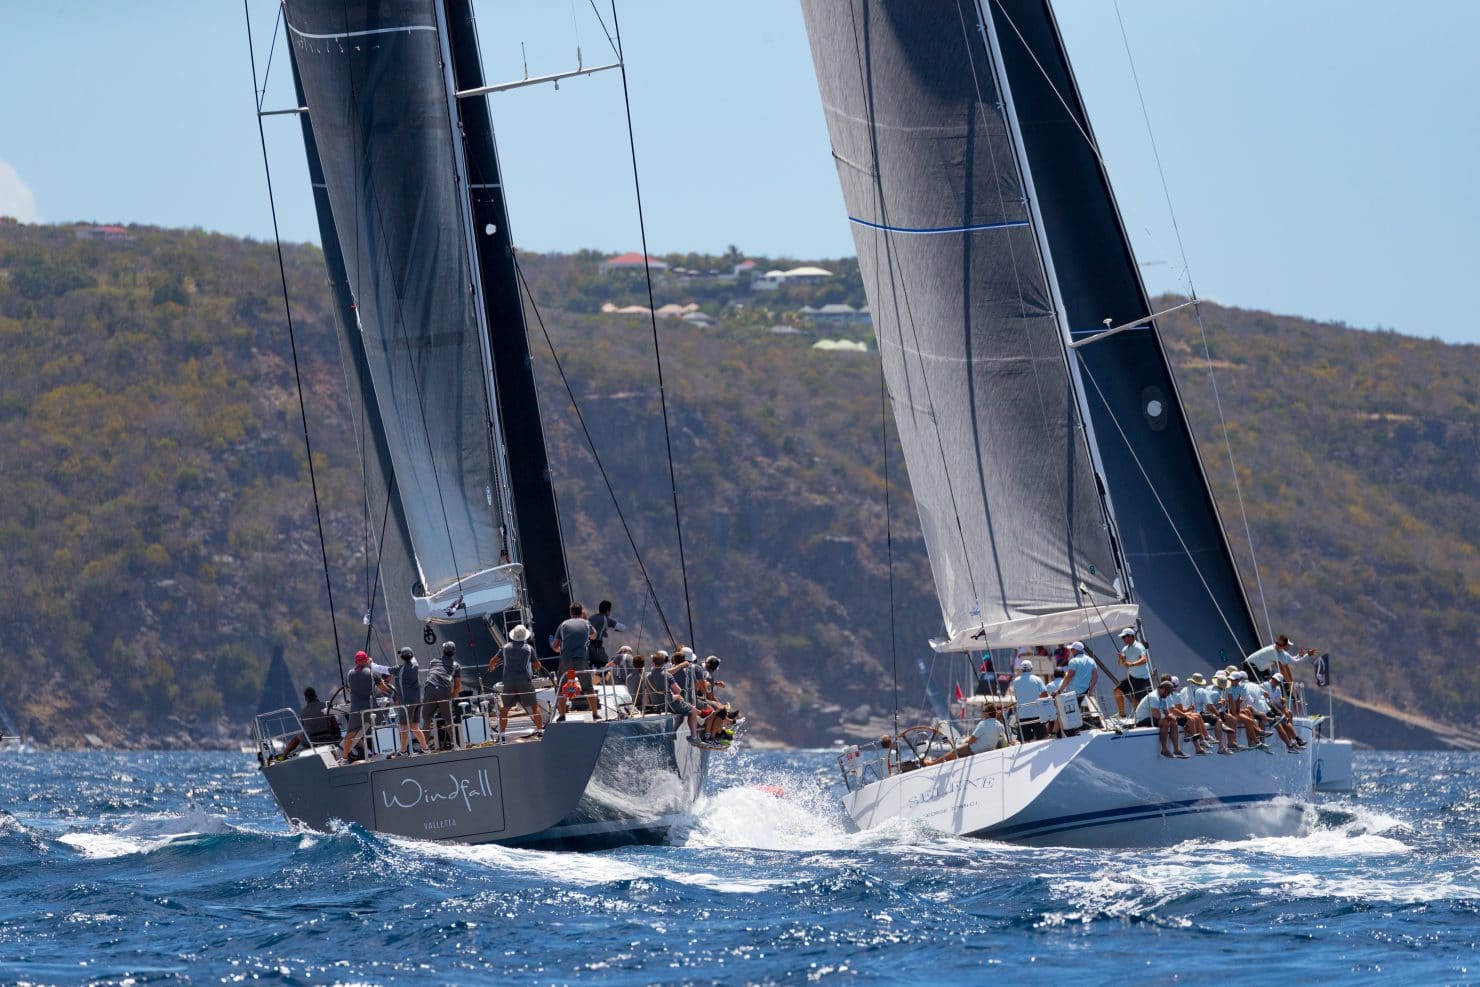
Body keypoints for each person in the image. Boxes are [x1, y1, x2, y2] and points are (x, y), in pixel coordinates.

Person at [487, 624, 544, 739]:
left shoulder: (505, 647)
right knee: (534, 706)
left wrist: (491, 668)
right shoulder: (529, 649)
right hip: (524, 681)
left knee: (505, 709)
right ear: (525, 636)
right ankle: (540, 731)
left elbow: (493, 660)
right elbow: (537, 666)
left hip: (509, 682)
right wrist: (537, 666)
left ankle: (502, 735)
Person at [552, 602, 601, 720]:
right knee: (588, 687)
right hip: (581, 660)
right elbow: (594, 636)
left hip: (566, 660)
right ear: (581, 612)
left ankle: (562, 715)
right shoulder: (586, 623)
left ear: (570, 613)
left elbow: (554, 646)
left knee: (561, 688)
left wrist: (560, 650)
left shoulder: (563, 624)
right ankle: (595, 714)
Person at [341, 651, 390, 762]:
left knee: (350, 733)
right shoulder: (371, 672)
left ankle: (344, 758)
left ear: (355, 661)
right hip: (371, 707)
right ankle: (388, 753)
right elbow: (383, 688)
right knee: (383, 728)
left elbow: (349, 689)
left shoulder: (349, 674)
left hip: (356, 709)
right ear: (365, 660)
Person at [276, 686, 342, 759]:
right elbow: (335, 725)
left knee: (297, 737)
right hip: (330, 738)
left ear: (305, 698)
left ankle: (283, 756)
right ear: (316, 695)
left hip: (312, 741)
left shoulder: (303, 712)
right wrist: (338, 735)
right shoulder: (326, 706)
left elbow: (305, 729)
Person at [421, 640, 461, 751]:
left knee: (427, 719)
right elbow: (457, 686)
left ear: (443, 651)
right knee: (448, 719)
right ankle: (454, 745)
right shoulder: (456, 666)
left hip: (430, 689)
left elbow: (433, 674)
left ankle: (424, 747)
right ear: (454, 652)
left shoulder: (433, 662)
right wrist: (452, 697)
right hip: (444, 691)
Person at [393, 647, 430, 755]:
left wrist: (371, 665)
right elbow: (411, 657)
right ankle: (425, 748)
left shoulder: (400, 669)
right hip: (417, 701)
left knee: (404, 728)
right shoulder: (415, 665)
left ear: (402, 657)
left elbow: (383, 669)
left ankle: (403, 751)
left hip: (407, 702)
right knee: (414, 727)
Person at [1010, 658, 1056, 741]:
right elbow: (1045, 694)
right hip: (1036, 713)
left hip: (1022, 714)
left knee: (1023, 740)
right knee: (1043, 738)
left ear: (1021, 669)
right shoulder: (1037, 679)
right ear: (1031, 668)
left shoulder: (1016, 681)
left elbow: (1016, 697)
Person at [1112, 627, 1153, 718]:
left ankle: (1139, 719)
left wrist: (1132, 664)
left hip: (1142, 679)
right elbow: (1120, 664)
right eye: (1122, 637)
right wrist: (1121, 659)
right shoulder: (1125, 649)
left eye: (1124, 637)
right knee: (1117, 690)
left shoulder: (1139, 647)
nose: (1123, 639)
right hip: (1131, 677)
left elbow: (1144, 659)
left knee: (1136, 702)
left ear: (1130, 636)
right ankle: (1122, 714)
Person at [1146, 676, 1188, 759]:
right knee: (1165, 722)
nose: (1168, 695)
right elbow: (1156, 715)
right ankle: (1164, 750)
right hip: (1143, 719)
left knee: (1173, 722)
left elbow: (1166, 712)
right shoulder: (1154, 697)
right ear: (1163, 689)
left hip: (1152, 718)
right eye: (1168, 692)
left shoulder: (1163, 697)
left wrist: (1174, 718)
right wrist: (1169, 717)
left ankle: (1177, 750)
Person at [588, 600, 626, 670]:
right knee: (605, 665)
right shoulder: (606, 619)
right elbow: (623, 628)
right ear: (607, 611)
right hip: (597, 648)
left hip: (587, 648)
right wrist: (616, 630)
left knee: (589, 667)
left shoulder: (591, 618)